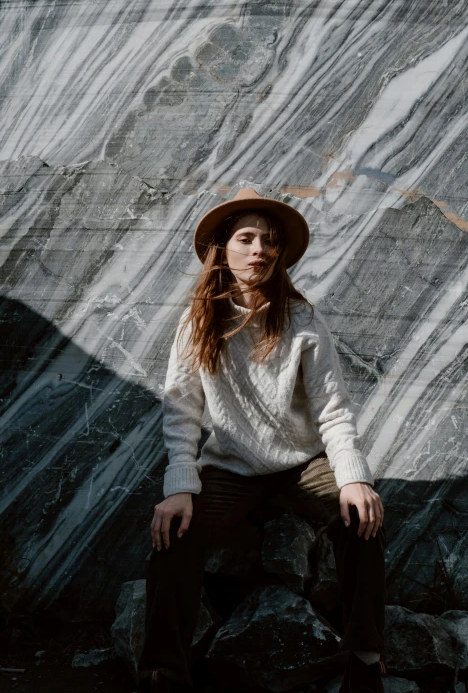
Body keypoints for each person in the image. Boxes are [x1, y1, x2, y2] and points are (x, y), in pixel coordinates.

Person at [137, 188, 386, 693]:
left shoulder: (302, 320)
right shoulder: (197, 323)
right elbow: (181, 410)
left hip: (301, 463)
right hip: (229, 467)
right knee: (173, 534)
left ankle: (366, 660)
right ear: (222, 250)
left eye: (269, 241)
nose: (259, 250)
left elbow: (333, 410)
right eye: (246, 238)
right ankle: (164, 672)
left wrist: (354, 478)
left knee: (365, 520)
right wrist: (180, 485)